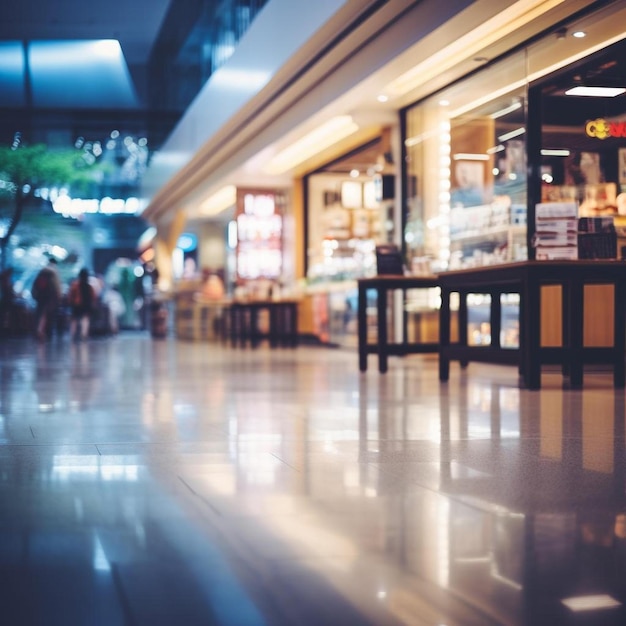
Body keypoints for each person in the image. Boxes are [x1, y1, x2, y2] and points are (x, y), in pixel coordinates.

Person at [32, 258, 62, 342]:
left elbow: (35, 285)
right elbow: (57, 286)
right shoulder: (54, 272)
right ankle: (42, 331)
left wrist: (34, 295)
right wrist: (58, 298)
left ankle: (38, 330)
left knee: (40, 313)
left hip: (40, 296)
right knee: (47, 314)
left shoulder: (42, 271)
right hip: (50, 296)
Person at [68, 268, 96, 341]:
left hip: (76, 304)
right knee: (85, 319)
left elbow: (71, 295)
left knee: (74, 320)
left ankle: (73, 335)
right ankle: (83, 335)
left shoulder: (75, 285)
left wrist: (70, 302)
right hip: (86, 304)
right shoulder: (89, 286)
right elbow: (93, 296)